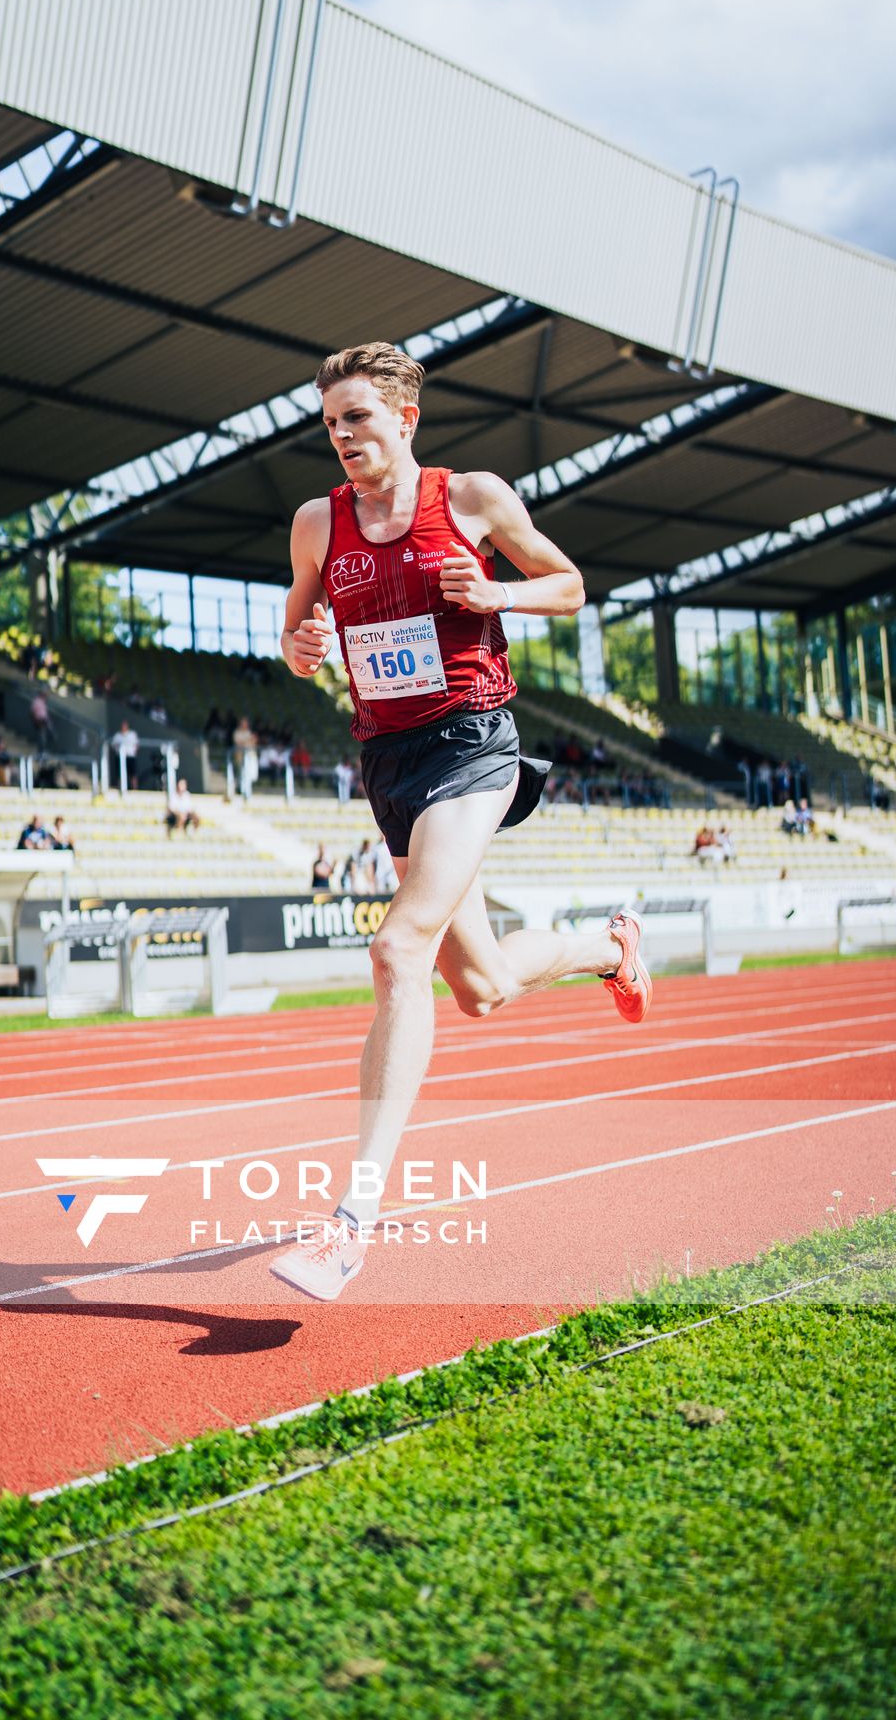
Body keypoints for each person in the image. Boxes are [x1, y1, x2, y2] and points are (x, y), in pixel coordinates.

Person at [267, 341, 650, 1302]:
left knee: (398, 951)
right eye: (330, 423)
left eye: (357, 417)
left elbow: (570, 584)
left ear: (405, 417)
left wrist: (496, 592)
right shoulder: (318, 523)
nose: (342, 437)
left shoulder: (472, 498)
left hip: (473, 741)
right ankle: (610, 948)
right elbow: (294, 642)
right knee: (478, 986)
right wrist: (303, 645)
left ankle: (350, 1223)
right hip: (386, 759)